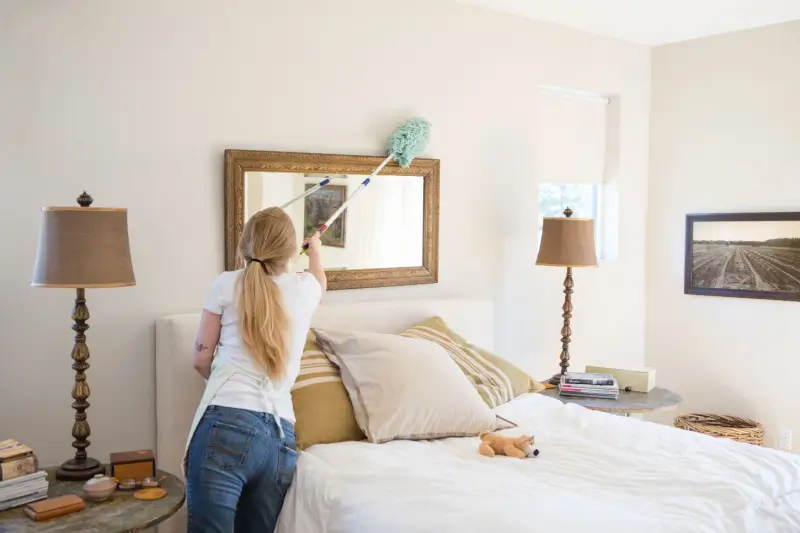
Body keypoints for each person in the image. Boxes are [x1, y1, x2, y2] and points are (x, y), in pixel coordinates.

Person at [184, 206, 326, 532]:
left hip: (226, 424)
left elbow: (200, 358)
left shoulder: (225, 283)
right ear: (291, 250)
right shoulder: (305, 288)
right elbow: (319, 281)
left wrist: (221, 381)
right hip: (280, 438)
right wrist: (315, 251)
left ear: (245, 245)